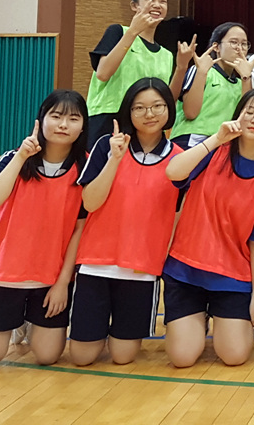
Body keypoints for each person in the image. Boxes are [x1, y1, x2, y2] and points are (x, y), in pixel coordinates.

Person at [161, 88, 254, 368]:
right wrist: (217, 139)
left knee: (234, 356)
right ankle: (198, 321)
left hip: (233, 276)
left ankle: (223, 320)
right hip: (186, 269)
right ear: (238, 114)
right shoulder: (214, 149)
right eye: (250, 111)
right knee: (182, 358)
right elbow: (173, 172)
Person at [0, 90, 88, 371]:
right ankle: (17, 321)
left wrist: (62, 284)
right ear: (41, 119)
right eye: (56, 116)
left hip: (50, 280)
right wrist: (22, 156)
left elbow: (79, 231)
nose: (63, 124)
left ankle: (28, 319)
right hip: (5, 275)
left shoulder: (85, 168)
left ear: (83, 126)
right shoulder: (13, 158)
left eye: (73, 118)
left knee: (47, 356)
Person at [70, 77, 183, 366]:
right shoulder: (105, 146)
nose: (149, 114)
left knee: (123, 357)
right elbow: (90, 203)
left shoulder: (179, 158)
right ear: (128, 112)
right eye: (139, 107)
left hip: (142, 269)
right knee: (82, 357)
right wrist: (114, 159)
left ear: (169, 109)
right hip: (96, 263)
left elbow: (179, 216)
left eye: (157, 106)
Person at [85, 0, 192, 146]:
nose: (157, 5)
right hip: (108, 120)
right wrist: (133, 31)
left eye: (162, 1)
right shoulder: (118, 32)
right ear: (135, 6)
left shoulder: (166, 54)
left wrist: (182, 68)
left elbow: (168, 99)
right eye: (151, 0)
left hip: (146, 124)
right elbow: (103, 73)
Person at [173, 22, 253, 148]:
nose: (239, 48)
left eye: (244, 44)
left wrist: (246, 78)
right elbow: (190, 113)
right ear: (216, 47)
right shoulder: (202, 71)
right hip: (192, 140)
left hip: (224, 144)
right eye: (233, 42)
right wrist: (201, 72)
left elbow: (245, 119)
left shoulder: (242, 83)